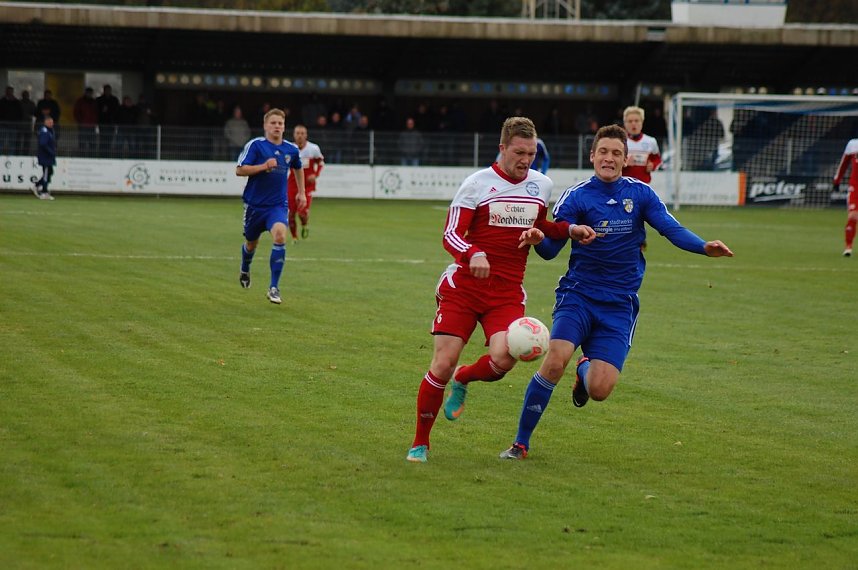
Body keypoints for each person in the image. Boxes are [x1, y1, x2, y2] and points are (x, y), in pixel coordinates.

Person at [498, 124, 733, 460]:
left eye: (616, 153)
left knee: (599, 389)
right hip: (578, 295)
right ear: (592, 156)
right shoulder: (576, 196)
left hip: (619, 304)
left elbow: (670, 228)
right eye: (604, 152)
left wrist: (703, 246)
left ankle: (585, 368)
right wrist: (538, 240)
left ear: (625, 160)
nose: (609, 158)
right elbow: (551, 250)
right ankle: (520, 444)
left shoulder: (641, 194)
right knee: (554, 362)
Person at [405, 116, 597, 464]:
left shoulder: (541, 184)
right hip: (464, 288)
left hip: (506, 292)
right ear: (502, 148)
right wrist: (472, 253)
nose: (526, 160)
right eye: (519, 152)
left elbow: (540, 224)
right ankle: (421, 443)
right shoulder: (477, 184)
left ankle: (464, 378)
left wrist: (568, 230)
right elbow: (451, 233)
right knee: (443, 362)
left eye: (531, 153)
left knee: (504, 359)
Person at [235, 108, 306, 305]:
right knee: (251, 244)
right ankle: (245, 268)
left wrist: (301, 192)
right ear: (266, 125)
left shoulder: (291, 149)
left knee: (280, 235)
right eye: (273, 123)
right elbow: (239, 170)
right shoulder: (256, 146)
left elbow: (298, 167)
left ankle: (274, 287)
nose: (277, 126)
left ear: (284, 127)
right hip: (254, 206)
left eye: (280, 123)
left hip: (277, 206)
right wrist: (263, 166)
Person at [287, 124, 325, 242]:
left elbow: (321, 162)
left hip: (307, 185)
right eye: (297, 133)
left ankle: (304, 224)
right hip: (292, 185)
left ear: (306, 135)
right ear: (294, 135)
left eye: (302, 133)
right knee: (291, 213)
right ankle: (294, 237)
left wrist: (315, 174)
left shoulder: (313, 148)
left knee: (302, 212)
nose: (300, 136)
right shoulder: (289, 148)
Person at [622, 106, 661, 184]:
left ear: (642, 122)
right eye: (630, 121)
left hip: (644, 185)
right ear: (625, 123)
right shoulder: (620, 142)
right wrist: (624, 163)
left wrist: (652, 165)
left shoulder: (651, 141)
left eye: (636, 121)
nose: (633, 124)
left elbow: (657, 160)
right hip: (624, 185)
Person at [833, 136, 858, 257]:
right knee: (853, 215)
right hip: (856, 187)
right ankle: (848, 247)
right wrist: (837, 180)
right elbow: (844, 163)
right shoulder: (853, 144)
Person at [33, 115, 57, 200]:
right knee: (46, 173)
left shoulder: (50, 131)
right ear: (45, 122)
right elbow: (43, 143)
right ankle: (44, 192)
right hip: (45, 156)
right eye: (49, 122)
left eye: (52, 122)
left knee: (50, 172)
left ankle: (37, 185)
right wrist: (51, 151)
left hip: (49, 157)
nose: (51, 124)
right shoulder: (44, 131)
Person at [73, 87, 98, 157]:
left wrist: (95, 122)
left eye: (90, 93)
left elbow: (96, 112)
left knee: (92, 143)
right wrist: (80, 121)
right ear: (85, 93)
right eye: (88, 93)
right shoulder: (80, 101)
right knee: (82, 143)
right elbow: (76, 112)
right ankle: (82, 156)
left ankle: (92, 156)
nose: (89, 94)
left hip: (92, 126)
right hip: (83, 125)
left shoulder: (94, 102)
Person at [96, 84, 120, 157]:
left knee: (109, 140)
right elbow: (96, 110)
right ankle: (101, 155)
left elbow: (117, 110)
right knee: (102, 140)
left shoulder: (114, 99)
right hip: (102, 123)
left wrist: (115, 119)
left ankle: (108, 155)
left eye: (108, 90)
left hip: (111, 123)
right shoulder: (99, 100)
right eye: (106, 90)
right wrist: (102, 111)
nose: (107, 91)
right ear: (104, 90)